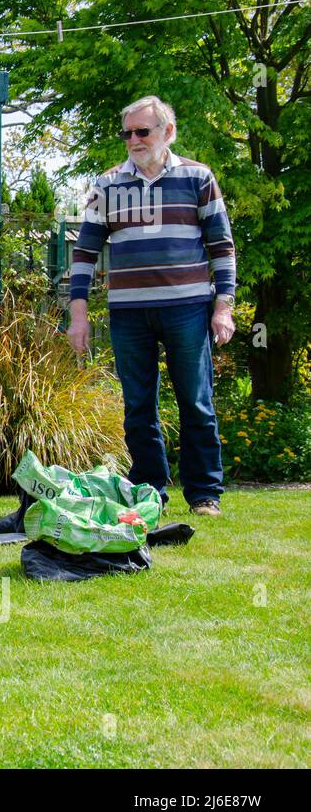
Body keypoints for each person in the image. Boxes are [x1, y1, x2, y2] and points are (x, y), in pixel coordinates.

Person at [66, 95, 236, 517]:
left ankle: (203, 495)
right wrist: (79, 315)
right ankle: (150, 491)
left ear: (168, 132)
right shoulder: (106, 186)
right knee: (137, 405)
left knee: (195, 402)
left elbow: (222, 247)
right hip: (128, 314)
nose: (134, 140)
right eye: (128, 133)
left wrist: (223, 307)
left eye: (143, 131)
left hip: (188, 309)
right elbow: (84, 253)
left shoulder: (198, 178)